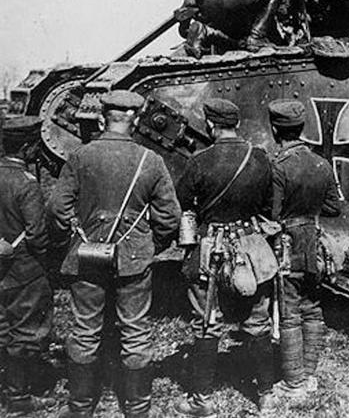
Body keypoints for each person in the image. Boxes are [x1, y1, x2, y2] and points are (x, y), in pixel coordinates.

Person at [49, 91, 180, 418]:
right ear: (135, 120)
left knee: (84, 330)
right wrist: (149, 247)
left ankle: (80, 408)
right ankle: (137, 409)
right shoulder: (151, 160)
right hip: (133, 259)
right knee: (136, 332)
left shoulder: (80, 156)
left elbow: (57, 209)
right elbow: (169, 218)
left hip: (88, 254)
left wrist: (79, 236)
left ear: (101, 118)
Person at [174, 99, 277, 417]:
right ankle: (267, 395)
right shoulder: (259, 157)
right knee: (258, 321)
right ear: (237, 124)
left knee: (207, 322)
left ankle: (201, 400)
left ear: (209, 125)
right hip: (251, 246)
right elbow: (268, 203)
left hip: (210, 247)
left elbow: (184, 202)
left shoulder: (199, 160)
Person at [267, 99, 342, 400]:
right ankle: (309, 374)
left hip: (288, 242)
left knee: (289, 312)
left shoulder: (279, 166)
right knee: (312, 307)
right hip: (314, 239)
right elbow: (334, 208)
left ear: (275, 130)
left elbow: (272, 213)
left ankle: (293, 383)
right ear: (301, 128)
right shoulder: (320, 164)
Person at [0, 116, 55, 415]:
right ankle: (19, 398)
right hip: (23, 272)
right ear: (26, 148)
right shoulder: (26, 184)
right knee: (24, 333)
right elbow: (36, 235)